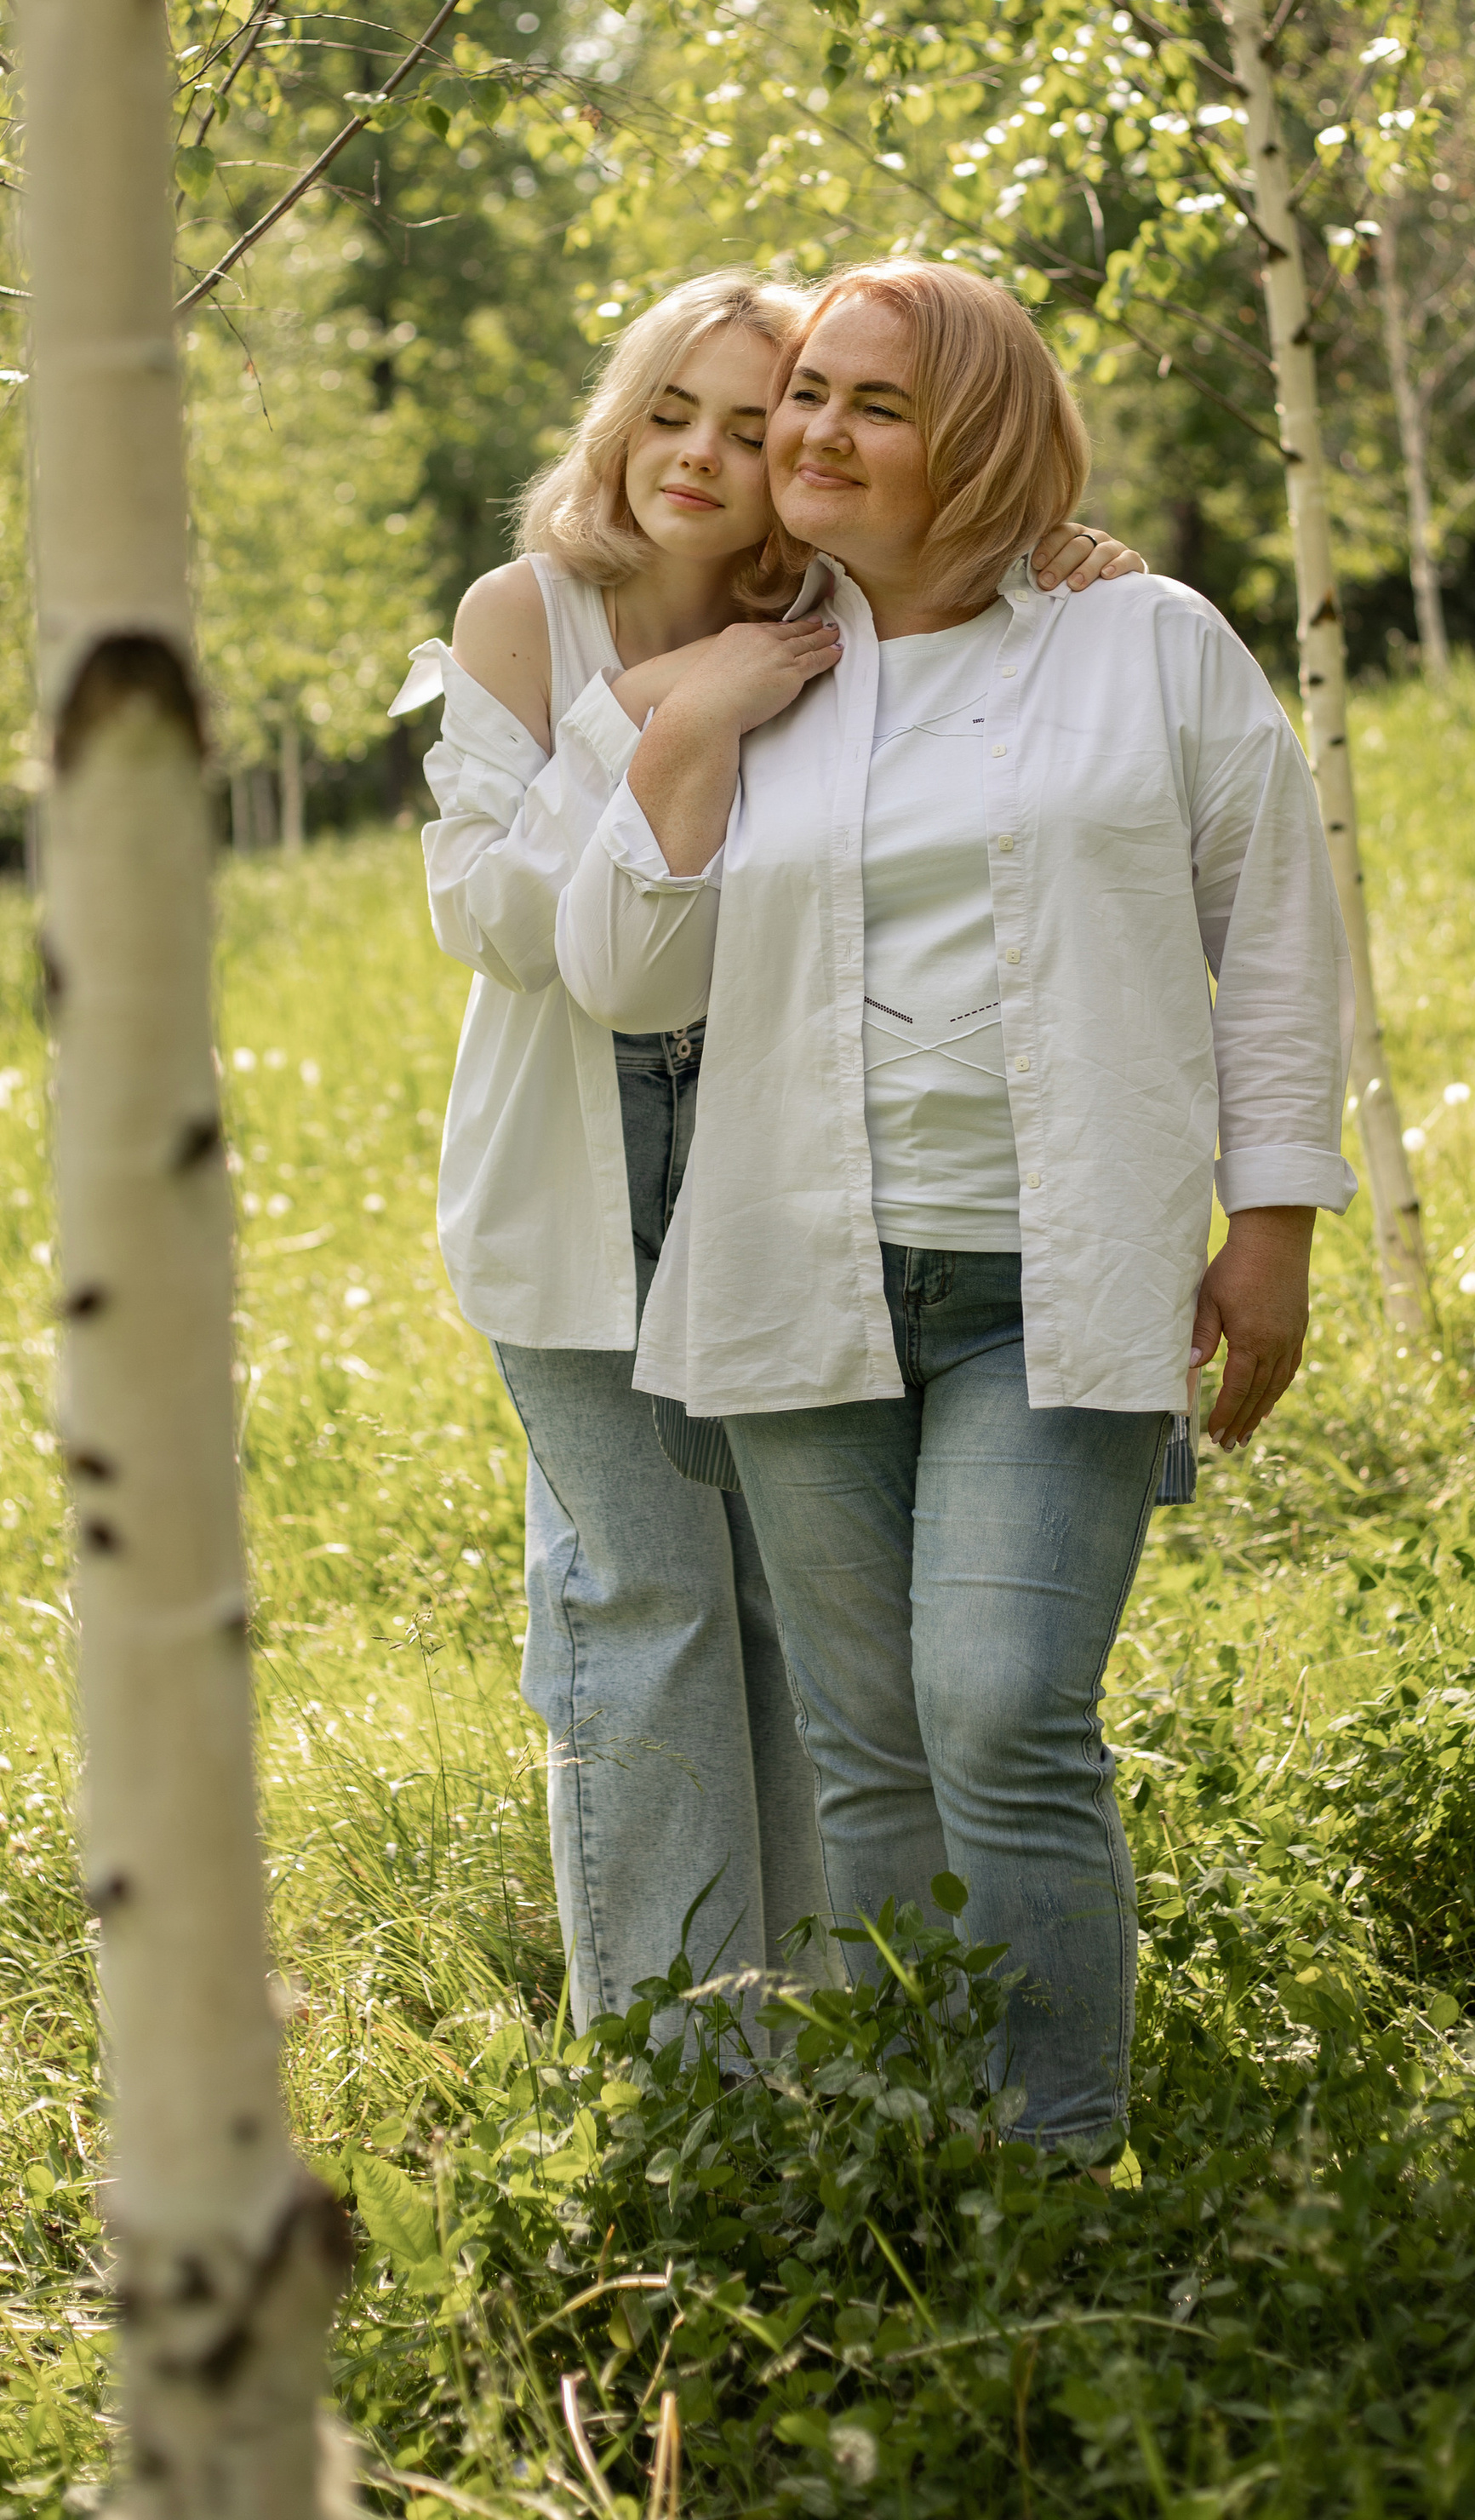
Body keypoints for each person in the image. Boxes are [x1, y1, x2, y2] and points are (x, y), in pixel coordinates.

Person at [556, 260, 1355, 2151]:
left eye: (870, 404)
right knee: (868, 1749)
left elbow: (1271, 926)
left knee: (998, 1707)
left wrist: (1276, 1222)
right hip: (794, 1277)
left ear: (976, 437)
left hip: (1050, 1281)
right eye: (803, 394)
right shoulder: (749, 670)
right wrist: (676, 744)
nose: (810, 433)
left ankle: (1054, 2153)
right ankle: (922, 2138)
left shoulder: (1141, 637)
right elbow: (617, 975)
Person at [397, 268, 1144, 2038]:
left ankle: (821, 2036)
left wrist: (1073, 558)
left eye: (753, 424)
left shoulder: (831, 607)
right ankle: (679, 2071)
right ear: (620, 414)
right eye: (673, 410)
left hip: (788, 1168)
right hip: (579, 1182)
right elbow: (499, 923)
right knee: (643, 1602)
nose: (705, 455)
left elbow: (976, 605)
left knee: (803, 1629)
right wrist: (658, 717)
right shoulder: (528, 616)